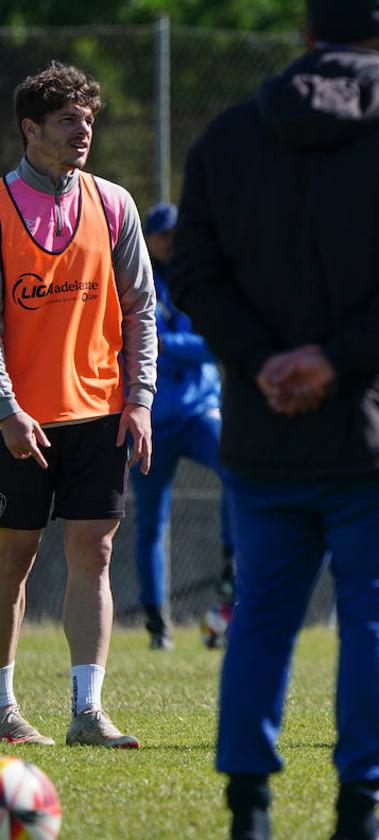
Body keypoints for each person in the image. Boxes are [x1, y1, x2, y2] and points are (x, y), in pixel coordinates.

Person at [168, 0, 379, 836]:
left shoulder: (229, 136)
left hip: (267, 429)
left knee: (261, 616)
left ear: (305, 36)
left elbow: (192, 271)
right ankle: (359, 812)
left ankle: (249, 811)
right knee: (373, 619)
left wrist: (267, 360)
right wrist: (333, 361)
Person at [0, 61, 156, 748]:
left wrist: (141, 399)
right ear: (31, 129)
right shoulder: (1, 206)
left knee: (93, 552)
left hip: (99, 413)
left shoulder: (113, 203)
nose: (82, 128)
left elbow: (141, 310)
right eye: (68, 119)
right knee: (13, 558)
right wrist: (4, 407)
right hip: (17, 423)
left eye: (88, 117)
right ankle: (3, 710)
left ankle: (87, 712)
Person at [130, 201, 235, 651]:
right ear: (150, 239)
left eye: (179, 234)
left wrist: (175, 342)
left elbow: (215, 341)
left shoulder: (204, 277)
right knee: (151, 522)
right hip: (152, 418)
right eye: (165, 235)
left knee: (239, 463)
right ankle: (157, 621)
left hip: (197, 411)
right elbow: (143, 340)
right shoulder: (139, 277)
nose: (173, 243)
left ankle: (232, 568)